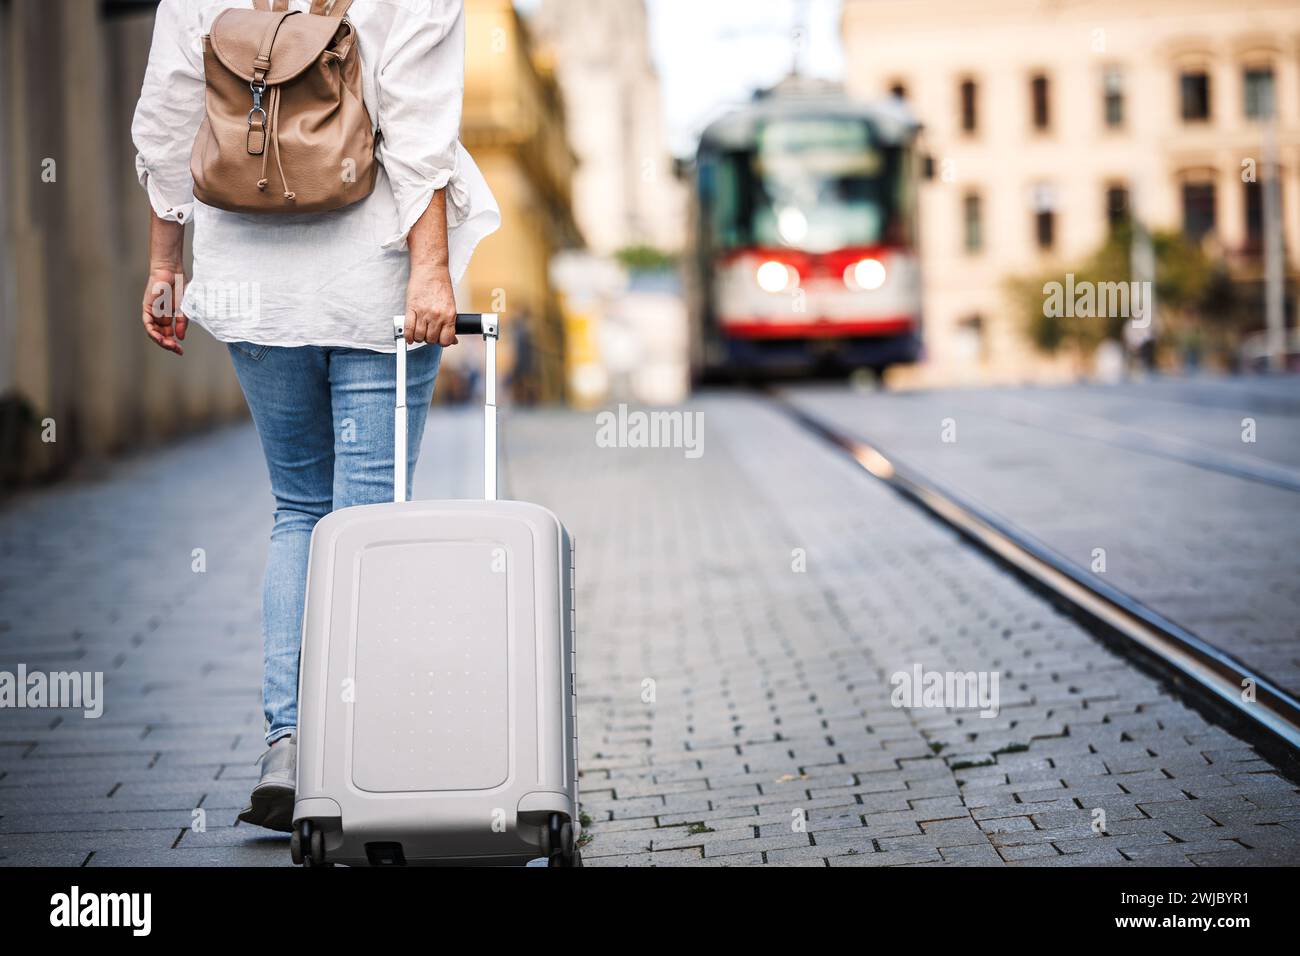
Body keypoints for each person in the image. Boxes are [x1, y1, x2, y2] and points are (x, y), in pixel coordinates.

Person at [131, 0, 499, 831]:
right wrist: (431, 270)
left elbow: (166, 116)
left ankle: (291, 745)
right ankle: (359, 751)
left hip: (248, 277)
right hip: (374, 282)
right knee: (365, 520)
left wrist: (164, 263)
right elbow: (417, 124)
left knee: (298, 510)